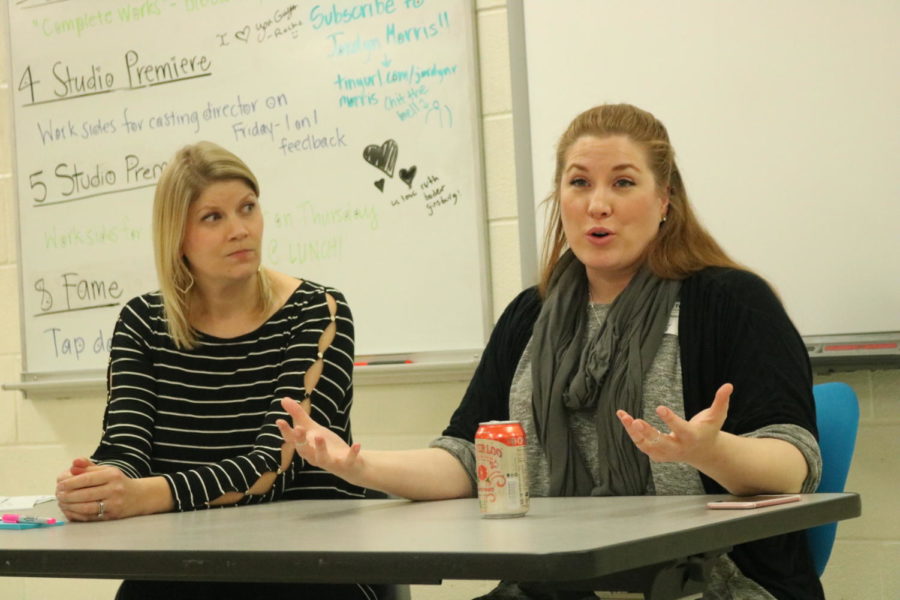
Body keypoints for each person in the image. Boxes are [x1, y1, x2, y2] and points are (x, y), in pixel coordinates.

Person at [277, 104, 824, 599]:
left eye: (624, 183)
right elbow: (471, 458)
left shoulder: (730, 302)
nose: (598, 204)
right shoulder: (528, 316)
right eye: (580, 182)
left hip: (707, 582)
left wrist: (709, 451)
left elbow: (794, 465)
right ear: (559, 198)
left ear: (664, 202)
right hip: (556, 585)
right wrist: (356, 463)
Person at [54, 141, 388, 600]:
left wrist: (143, 495)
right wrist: (100, 484)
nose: (240, 230)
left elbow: (275, 467)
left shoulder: (317, 311)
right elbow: (126, 447)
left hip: (307, 563)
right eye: (214, 217)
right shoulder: (142, 321)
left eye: (247, 208)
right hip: (182, 559)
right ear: (178, 236)